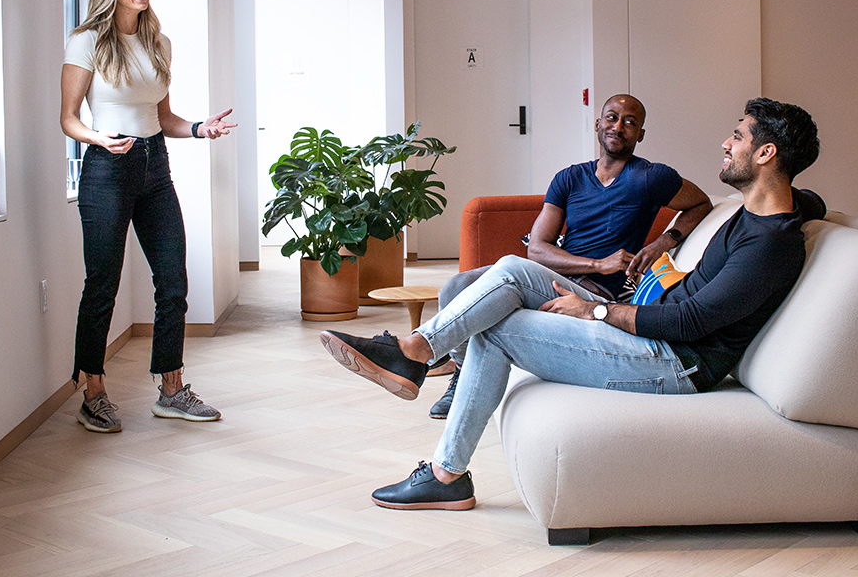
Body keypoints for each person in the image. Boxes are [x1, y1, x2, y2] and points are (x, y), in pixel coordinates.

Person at [320, 97, 823, 510]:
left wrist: (596, 311)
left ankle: (444, 468)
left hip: (676, 362)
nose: (725, 143)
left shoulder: (769, 243)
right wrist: (666, 247)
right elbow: (810, 202)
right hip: (652, 332)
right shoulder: (766, 210)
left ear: (765, 154)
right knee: (512, 270)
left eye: (737, 136)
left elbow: (689, 322)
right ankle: (416, 351)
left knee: (497, 329)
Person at [426, 93, 712, 419]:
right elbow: (537, 247)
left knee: (496, 286)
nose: (618, 127)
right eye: (612, 117)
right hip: (556, 275)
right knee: (454, 287)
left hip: (595, 292)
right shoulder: (570, 178)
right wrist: (596, 263)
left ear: (640, 134)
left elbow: (701, 203)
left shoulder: (651, 177)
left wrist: (663, 242)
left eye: (630, 122)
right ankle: (460, 373)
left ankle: (419, 351)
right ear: (597, 123)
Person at [61, 0, 236, 434]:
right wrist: (99, 138)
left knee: (173, 280)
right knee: (102, 285)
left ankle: (172, 389)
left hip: (154, 166)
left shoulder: (158, 42)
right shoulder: (87, 42)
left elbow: (162, 117)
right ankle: (93, 393)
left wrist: (199, 128)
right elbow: (68, 118)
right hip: (106, 168)